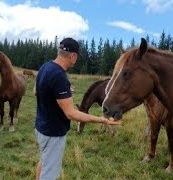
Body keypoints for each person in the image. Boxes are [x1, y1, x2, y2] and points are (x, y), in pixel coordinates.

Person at [34, 37, 121, 180]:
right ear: (73, 56)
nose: (76, 60)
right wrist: (102, 120)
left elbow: (36, 92)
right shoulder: (59, 76)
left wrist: (63, 93)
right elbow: (71, 114)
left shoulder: (45, 67)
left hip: (40, 127)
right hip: (53, 133)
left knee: (44, 162)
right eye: (77, 57)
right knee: (49, 173)